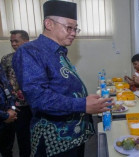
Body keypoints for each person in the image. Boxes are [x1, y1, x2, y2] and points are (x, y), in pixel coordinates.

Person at [12, 1, 113, 157]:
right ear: (49, 24)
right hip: (55, 140)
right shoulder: (30, 51)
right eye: (69, 27)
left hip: (74, 135)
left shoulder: (59, 52)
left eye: (75, 28)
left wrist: (84, 98)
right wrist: (82, 104)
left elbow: (62, 87)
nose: (73, 33)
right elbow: (39, 98)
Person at [1, 30, 31, 157]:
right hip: (10, 106)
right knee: (7, 139)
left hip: (28, 105)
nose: (13, 44)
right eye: (11, 41)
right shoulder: (6, 59)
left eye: (16, 41)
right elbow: (2, 82)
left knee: (25, 137)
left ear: (26, 41)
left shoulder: (34, 59)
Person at [0, 63, 17, 157]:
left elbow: (7, 87)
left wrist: (11, 108)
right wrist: (5, 115)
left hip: (8, 117)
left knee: (7, 151)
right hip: (4, 116)